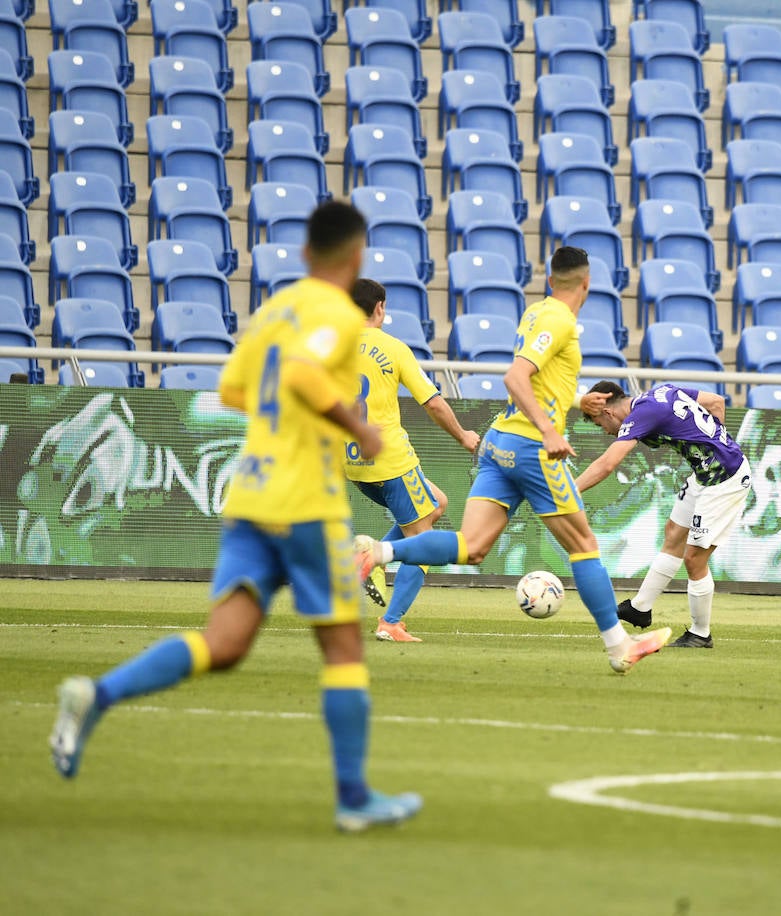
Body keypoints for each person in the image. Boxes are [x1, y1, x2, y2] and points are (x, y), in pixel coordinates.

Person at [48, 202, 424, 831]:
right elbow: (306, 374)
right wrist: (355, 423)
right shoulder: (336, 313)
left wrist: (286, 410)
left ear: (306, 255)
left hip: (249, 495)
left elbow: (230, 392)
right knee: (343, 646)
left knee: (223, 644)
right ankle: (354, 798)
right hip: (304, 502)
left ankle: (98, 695)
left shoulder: (276, 312)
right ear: (355, 258)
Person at [354, 246, 672, 673]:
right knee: (583, 545)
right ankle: (619, 647)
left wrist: (577, 399)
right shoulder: (561, 320)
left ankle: (379, 552)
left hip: (498, 441)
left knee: (472, 547)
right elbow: (516, 377)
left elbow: (534, 380)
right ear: (587, 283)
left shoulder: (536, 313)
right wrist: (548, 429)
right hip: (529, 447)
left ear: (549, 279)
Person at [345, 279, 481, 643]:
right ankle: (390, 622)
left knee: (436, 502)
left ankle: (369, 555)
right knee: (424, 543)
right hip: (391, 461)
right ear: (380, 308)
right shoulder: (393, 349)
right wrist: (465, 436)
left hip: (354, 465)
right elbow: (433, 402)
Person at [575, 380, 754, 648]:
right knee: (673, 533)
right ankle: (640, 608)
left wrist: (572, 490)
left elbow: (609, 462)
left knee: (694, 559)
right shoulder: (662, 391)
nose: (608, 432)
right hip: (705, 475)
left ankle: (700, 634)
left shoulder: (642, 414)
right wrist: (714, 444)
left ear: (608, 412)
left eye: (602, 426)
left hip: (724, 480)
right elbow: (717, 401)